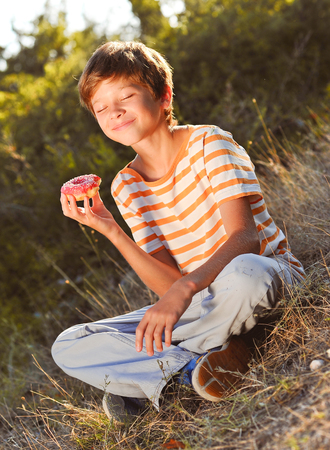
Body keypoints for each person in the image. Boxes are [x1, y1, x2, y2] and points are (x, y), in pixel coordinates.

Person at [52, 41, 305, 422]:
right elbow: (167, 282)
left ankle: (157, 377)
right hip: (202, 302)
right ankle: (206, 362)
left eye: (126, 96)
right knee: (68, 345)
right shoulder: (126, 185)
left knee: (245, 275)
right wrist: (112, 231)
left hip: (261, 276)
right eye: (101, 108)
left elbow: (244, 240)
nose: (114, 111)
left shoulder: (210, 142)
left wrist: (185, 289)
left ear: (163, 96)